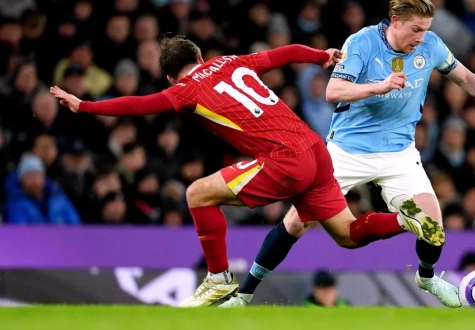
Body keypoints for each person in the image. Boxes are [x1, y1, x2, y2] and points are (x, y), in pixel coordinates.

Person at [222, 0, 475, 309]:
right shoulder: (362, 42)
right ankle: (244, 294)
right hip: (347, 152)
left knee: (433, 228)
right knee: (297, 222)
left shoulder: (431, 46)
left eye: (426, 29)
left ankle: (426, 277)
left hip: (399, 154)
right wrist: (379, 86)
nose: (421, 37)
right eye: (415, 29)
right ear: (395, 21)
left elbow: (465, 78)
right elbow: (333, 91)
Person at [50, 37, 407, 307]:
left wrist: (86, 105)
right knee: (347, 234)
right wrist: (319, 56)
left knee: (197, 194)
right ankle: (406, 220)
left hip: (284, 158)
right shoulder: (231, 62)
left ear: (171, 76)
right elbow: (284, 53)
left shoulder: (185, 89)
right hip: (315, 148)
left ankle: (219, 277)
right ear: (200, 57)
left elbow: (140, 105)